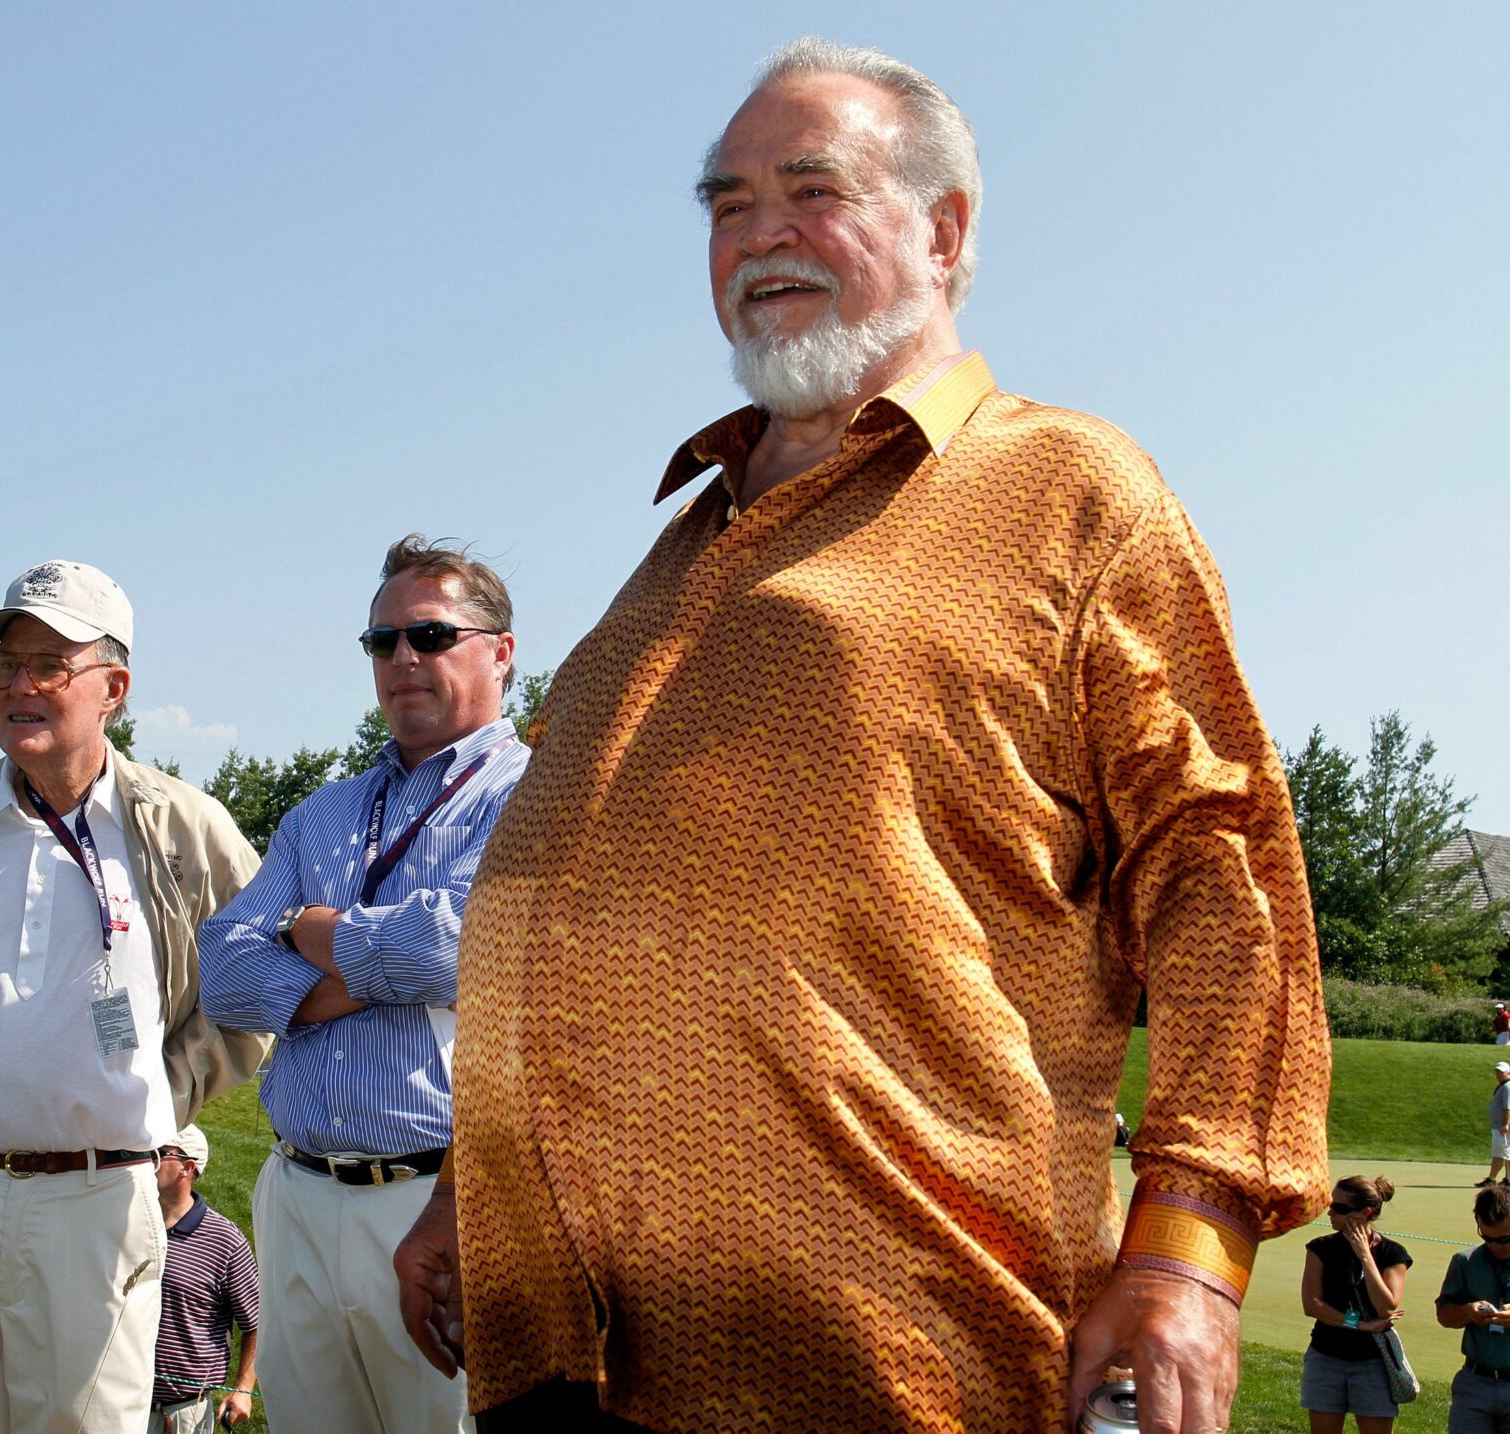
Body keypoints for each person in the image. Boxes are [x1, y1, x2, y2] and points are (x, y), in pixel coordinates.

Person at [393, 40, 1328, 1434]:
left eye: (810, 189)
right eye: (724, 203)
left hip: (901, 1351)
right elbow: (577, 907)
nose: (757, 231)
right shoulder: (677, 546)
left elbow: (1222, 864)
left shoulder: (1074, 489)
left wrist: (1191, 1239)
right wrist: (474, 1179)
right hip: (569, 1359)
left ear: (944, 230)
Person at [0, 559, 270, 1433]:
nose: (19, 686)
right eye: (4, 666)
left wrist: (168, 1089)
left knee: (83, 1424)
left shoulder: (181, 825)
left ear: (112, 687)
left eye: (48, 664)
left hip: (98, 1199)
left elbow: (261, 973)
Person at [199, 536, 525, 1434]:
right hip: (296, 1192)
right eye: (382, 642)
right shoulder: (324, 811)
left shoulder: (535, 793)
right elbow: (223, 969)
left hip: (440, 1203)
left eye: (429, 634)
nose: (403, 659)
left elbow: (463, 948)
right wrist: (386, 965)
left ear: (500, 651)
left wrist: (311, 931)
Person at [151, 1124, 260, 1432]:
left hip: (184, 1412)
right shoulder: (127, 1223)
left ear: (188, 1167)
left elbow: (256, 1323)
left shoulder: (225, 1240)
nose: (148, 1161)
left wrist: (243, 1389)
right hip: (119, 1400)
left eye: (159, 1155)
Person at [1300, 1177, 1410, 1434]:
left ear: (1365, 1213)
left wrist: (1365, 1256)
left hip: (1373, 1362)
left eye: (1339, 1207)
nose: (1330, 1212)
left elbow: (1385, 1308)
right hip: (1325, 1357)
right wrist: (1358, 1324)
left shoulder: (1392, 1254)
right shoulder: (1321, 1248)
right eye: (1330, 1204)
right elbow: (1312, 1305)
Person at [1438, 1183, 1510, 1430]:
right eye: (1486, 1238)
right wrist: (1467, 1312)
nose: (1495, 1246)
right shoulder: (1465, 1261)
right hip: (1476, 1381)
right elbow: (1445, 1316)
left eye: (1503, 1239)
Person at [1481, 1063, 1510, 1188]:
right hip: (1499, 1125)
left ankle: (1491, 1179)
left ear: (1508, 1073)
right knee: (1506, 1154)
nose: (1498, 1075)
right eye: (1497, 1072)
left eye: (1501, 1072)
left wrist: (1506, 1124)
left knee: (1500, 1153)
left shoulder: (1508, 1087)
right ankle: (1507, 1179)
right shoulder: (1503, 1086)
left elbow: (1507, 1107)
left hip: (1502, 1127)